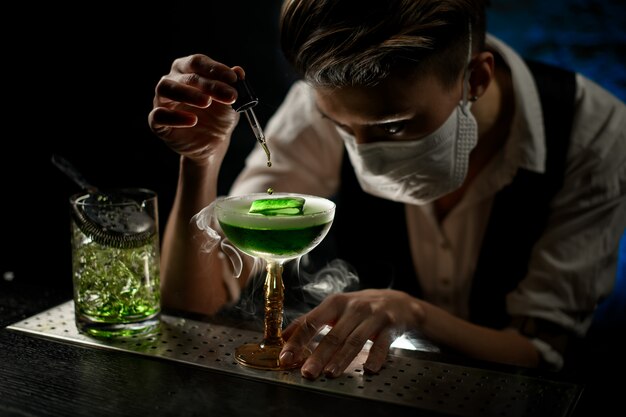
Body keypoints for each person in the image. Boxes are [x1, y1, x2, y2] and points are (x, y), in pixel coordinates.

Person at [148, 0, 626, 380]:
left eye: (393, 127)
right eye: (341, 128)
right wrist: (199, 162)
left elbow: (542, 355)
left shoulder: (593, 136)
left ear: (474, 79)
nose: (364, 153)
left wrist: (413, 313)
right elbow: (196, 307)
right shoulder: (317, 105)